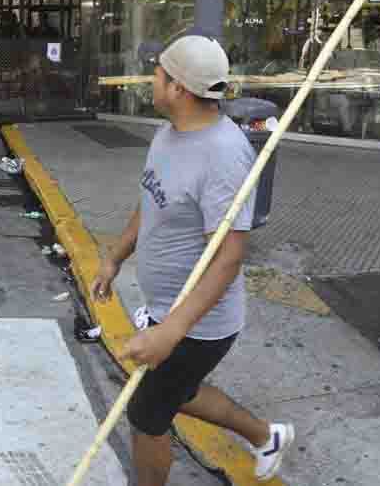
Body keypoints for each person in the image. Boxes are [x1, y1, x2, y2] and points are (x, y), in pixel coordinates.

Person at [91, 35, 294, 484]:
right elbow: (152, 201)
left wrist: (170, 332)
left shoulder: (223, 155)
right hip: (167, 312)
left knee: (147, 415)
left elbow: (228, 257)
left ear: (179, 88)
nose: (152, 80)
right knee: (178, 394)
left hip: (199, 323)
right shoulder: (169, 133)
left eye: (159, 74)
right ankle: (266, 435)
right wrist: (115, 257)